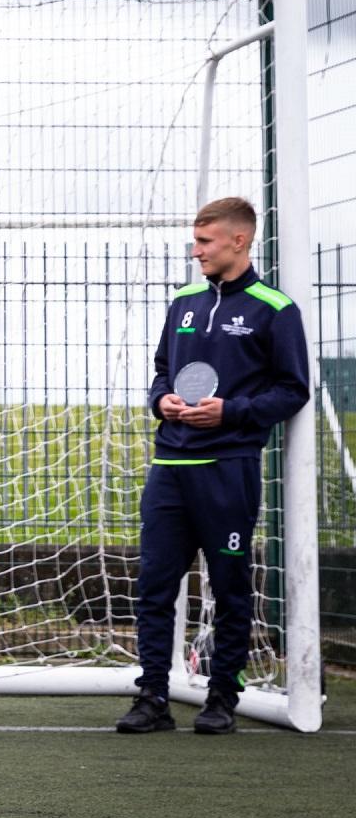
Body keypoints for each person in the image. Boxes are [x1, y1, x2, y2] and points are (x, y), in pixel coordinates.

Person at [118, 196, 309, 735]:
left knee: (228, 583)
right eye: (195, 241)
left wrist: (234, 411)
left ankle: (223, 695)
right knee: (154, 584)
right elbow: (161, 372)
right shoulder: (184, 302)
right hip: (169, 466)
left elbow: (293, 390)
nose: (195, 251)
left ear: (239, 241)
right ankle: (153, 696)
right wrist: (163, 403)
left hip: (229, 467)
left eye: (204, 242)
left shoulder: (275, 308)